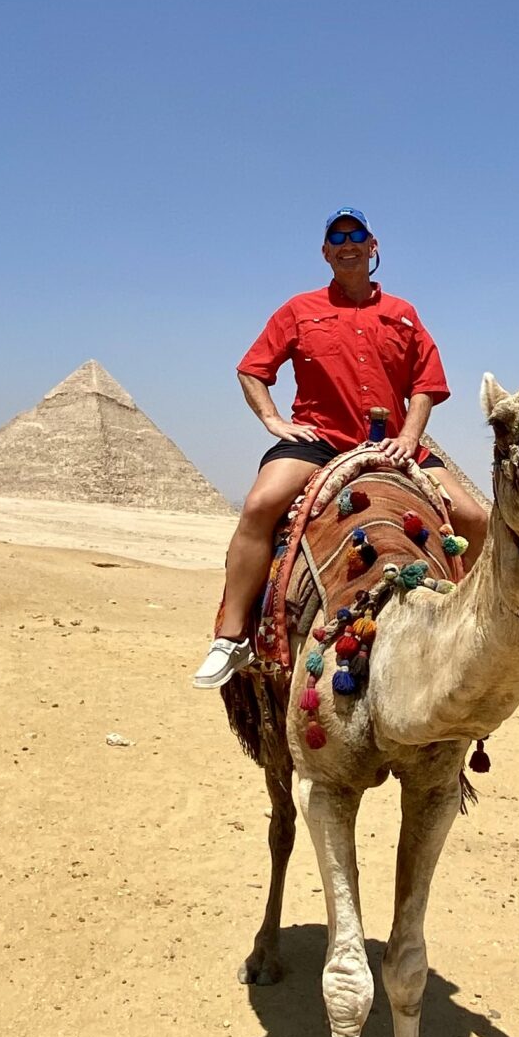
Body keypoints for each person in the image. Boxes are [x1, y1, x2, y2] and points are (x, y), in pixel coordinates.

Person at [193, 207, 489, 688]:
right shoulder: (298, 309)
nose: (347, 243)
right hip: (321, 439)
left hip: (393, 444)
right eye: (337, 237)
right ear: (326, 252)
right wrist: (273, 420)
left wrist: (411, 436)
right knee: (260, 505)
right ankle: (231, 638)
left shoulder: (402, 314)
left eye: (357, 235)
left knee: (476, 520)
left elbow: (426, 383)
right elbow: (252, 368)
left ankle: (467, 626)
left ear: (373, 247)